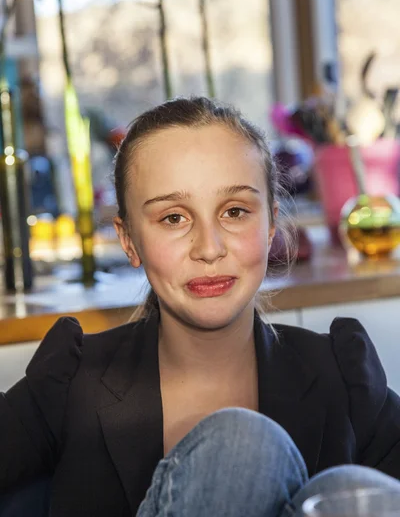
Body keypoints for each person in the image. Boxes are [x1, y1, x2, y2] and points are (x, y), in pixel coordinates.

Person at [1, 96, 400, 517]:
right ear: (129, 240)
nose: (209, 249)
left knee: (347, 488)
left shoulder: (343, 374)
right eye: (174, 218)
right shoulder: (70, 383)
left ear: (269, 228)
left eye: (234, 211)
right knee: (242, 447)